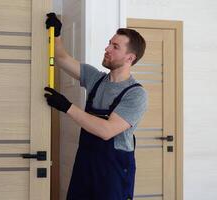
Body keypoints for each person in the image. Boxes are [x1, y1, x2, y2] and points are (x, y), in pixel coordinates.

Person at [44, 13, 148, 200]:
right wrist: (56, 35)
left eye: (115, 47)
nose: (107, 48)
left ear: (130, 58)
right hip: (85, 166)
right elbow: (61, 58)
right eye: (109, 43)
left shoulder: (136, 94)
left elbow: (107, 130)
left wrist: (67, 106)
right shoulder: (96, 78)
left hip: (112, 174)